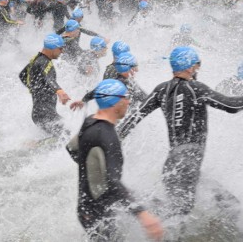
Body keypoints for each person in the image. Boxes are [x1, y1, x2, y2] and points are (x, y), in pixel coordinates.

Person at [117, 46, 243, 216]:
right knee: (179, 215)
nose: (198, 69)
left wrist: (112, 136)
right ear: (190, 67)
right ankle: (132, 208)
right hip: (188, 162)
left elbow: (133, 118)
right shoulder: (196, 88)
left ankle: (137, 206)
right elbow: (231, 105)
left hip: (175, 163)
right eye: (197, 65)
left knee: (228, 204)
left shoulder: (161, 90)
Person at [66, 79, 163, 241]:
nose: (129, 101)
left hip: (88, 207)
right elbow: (112, 181)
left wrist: (90, 169)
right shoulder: (107, 136)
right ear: (114, 102)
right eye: (125, 97)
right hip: (97, 212)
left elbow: (71, 148)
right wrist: (142, 214)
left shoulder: (90, 121)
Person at [19, 33, 73, 138]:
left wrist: (35, 89)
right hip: (45, 114)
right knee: (67, 136)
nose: (62, 51)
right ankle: (34, 146)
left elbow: (23, 75)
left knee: (62, 136)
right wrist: (60, 92)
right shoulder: (45, 62)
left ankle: (34, 144)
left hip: (40, 113)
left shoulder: (36, 59)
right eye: (60, 48)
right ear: (53, 48)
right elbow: (49, 78)